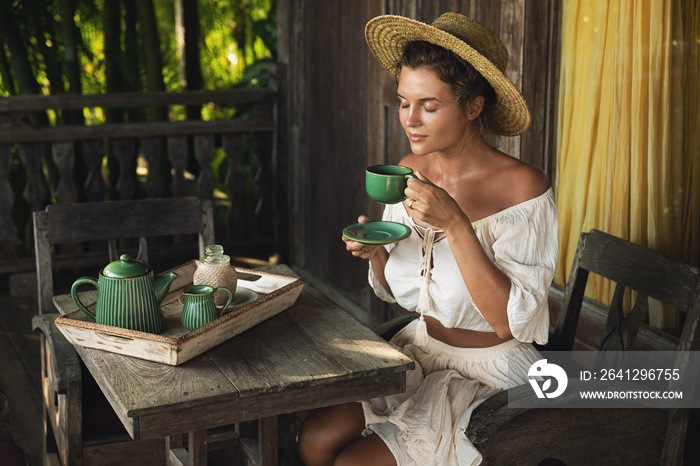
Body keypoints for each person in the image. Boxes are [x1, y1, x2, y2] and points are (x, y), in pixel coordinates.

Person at [297, 12, 559, 466]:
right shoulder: (408, 172)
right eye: (403, 102)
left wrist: (455, 223)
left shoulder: (522, 189)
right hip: (419, 351)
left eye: (429, 106)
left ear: (473, 106)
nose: (410, 120)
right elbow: (405, 291)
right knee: (315, 441)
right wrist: (377, 257)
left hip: (491, 375)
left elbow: (507, 322)